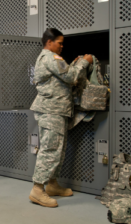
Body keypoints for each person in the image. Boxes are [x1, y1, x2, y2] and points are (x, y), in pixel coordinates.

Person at [29, 28, 93, 208]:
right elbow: (71, 77)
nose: (62, 46)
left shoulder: (51, 59)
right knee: (50, 150)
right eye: (60, 42)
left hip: (57, 110)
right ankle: (37, 189)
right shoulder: (50, 57)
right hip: (51, 111)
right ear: (49, 42)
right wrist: (84, 63)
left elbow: (63, 75)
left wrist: (73, 64)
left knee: (58, 150)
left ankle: (52, 184)